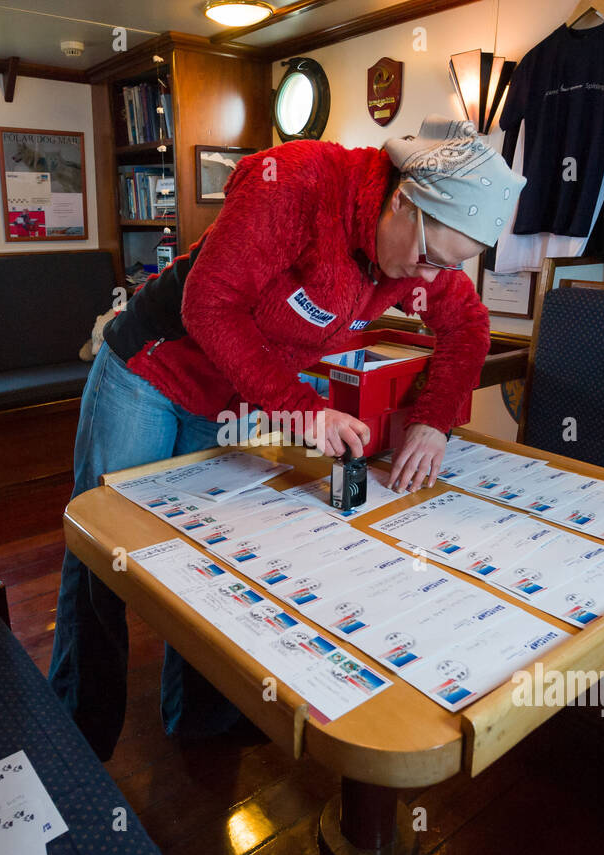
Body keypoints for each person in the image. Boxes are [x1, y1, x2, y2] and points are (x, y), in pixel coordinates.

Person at [51, 114, 525, 760]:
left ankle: (203, 716)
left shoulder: (421, 258)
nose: (425, 279)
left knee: (202, 555)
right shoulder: (297, 184)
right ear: (403, 202)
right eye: (425, 259)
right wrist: (304, 411)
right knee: (106, 549)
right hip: (152, 370)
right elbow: (208, 305)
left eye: (443, 270)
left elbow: (467, 326)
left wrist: (434, 421)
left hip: (228, 395)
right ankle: (77, 729)